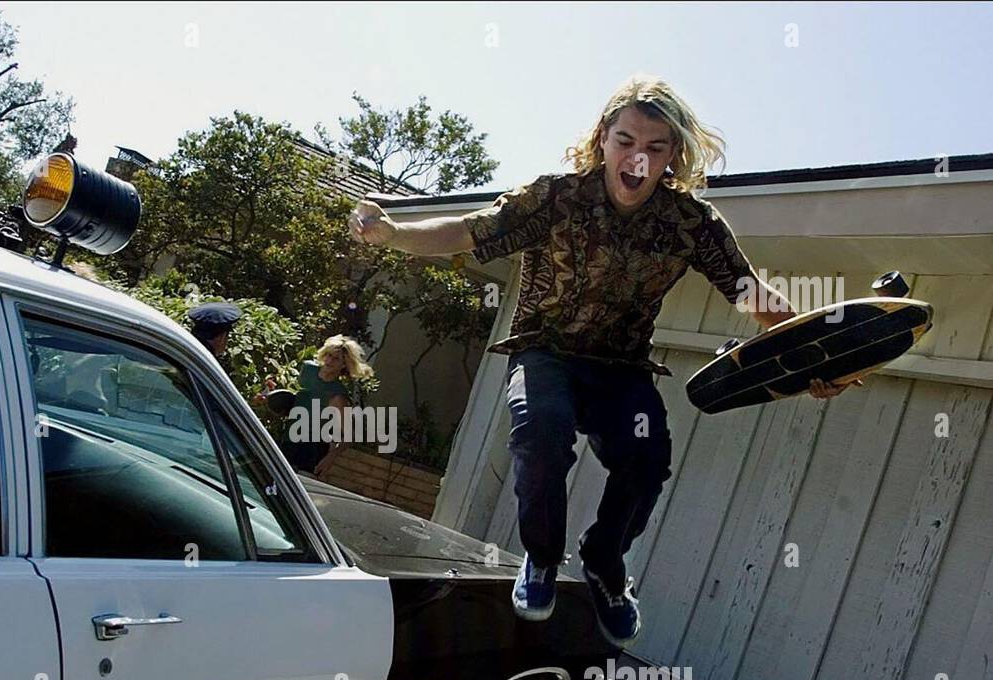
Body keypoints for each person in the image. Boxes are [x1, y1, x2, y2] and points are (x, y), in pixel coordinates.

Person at [349, 75, 853, 643]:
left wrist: (815, 353)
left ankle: (605, 563)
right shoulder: (557, 196)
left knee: (645, 459)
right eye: (625, 141)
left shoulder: (691, 223)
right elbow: (469, 232)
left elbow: (750, 293)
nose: (637, 159)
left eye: (655, 149)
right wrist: (392, 232)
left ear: (672, 157)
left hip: (620, 368)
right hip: (546, 354)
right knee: (542, 433)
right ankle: (540, 558)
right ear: (602, 140)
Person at [272, 335, 373, 478]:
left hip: (312, 450)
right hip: (287, 438)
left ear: (344, 365)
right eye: (329, 355)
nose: (330, 361)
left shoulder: (337, 395)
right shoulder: (307, 370)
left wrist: (330, 458)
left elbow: (349, 435)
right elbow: (288, 396)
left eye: (336, 358)